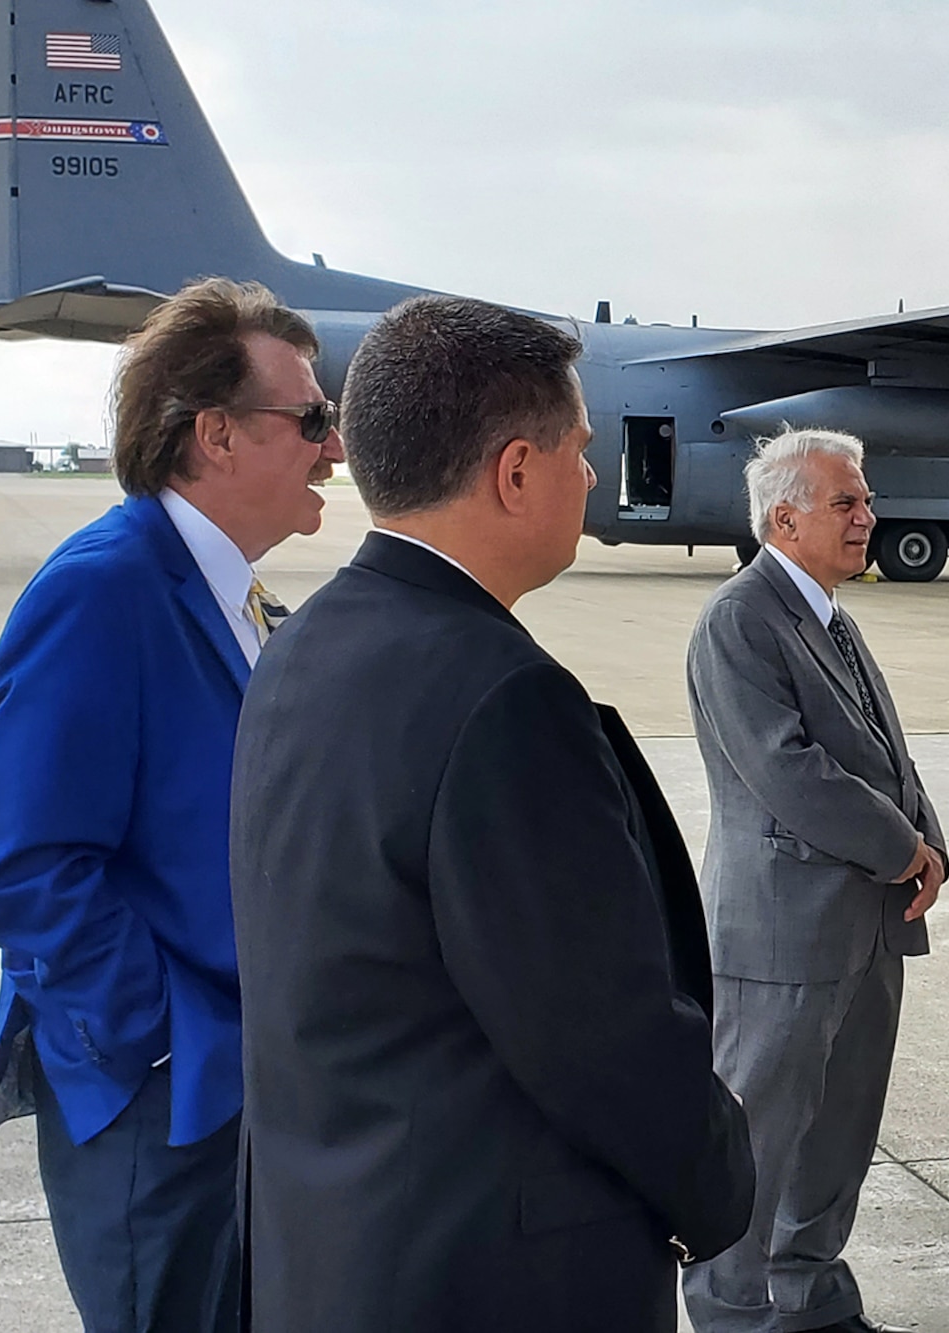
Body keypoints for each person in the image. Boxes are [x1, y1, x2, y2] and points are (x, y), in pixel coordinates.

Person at [228, 296, 754, 1332]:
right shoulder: (502, 699)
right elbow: (601, 1035)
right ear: (515, 472)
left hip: (335, 1255)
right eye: (581, 451)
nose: (593, 477)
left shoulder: (305, 644)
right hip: (487, 1275)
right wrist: (716, 1186)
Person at [0, 277, 340, 1333]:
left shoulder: (234, 596)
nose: (335, 446)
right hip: (159, 1101)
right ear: (215, 435)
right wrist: (162, 1041)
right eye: (310, 419)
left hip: (238, 1083)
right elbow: (23, 867)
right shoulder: (104, 590)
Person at [683, 427, 945, 1333]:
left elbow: (883, 752)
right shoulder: (739, 619)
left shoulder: (831, 611)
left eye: (865, 499)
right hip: (782, 937)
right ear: (783, 519)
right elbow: (789, 772)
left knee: (837, 1139)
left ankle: (810, 1300)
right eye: (848, 502)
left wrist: (928, 840)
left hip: (862, 928)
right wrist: (903, 848)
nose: (867, 516)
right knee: (753, 1148)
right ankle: (729, 1315)